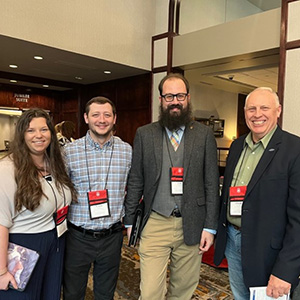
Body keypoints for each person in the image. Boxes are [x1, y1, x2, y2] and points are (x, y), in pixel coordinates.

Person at [124, 73, 220, 300]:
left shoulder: (204, 135)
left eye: (180, 95)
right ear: (161, 100)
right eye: (169, 96)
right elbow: (136, 179)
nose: (175, 101)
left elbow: (211, 182)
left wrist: (210, 227)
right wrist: (129, 220)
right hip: (155, 222)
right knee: (150, 293)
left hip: (193, 223)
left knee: (183, 291)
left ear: (187, 98)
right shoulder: (145, 134)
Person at [214, 87, 300, 299]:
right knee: (241, 296)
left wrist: (285, 270)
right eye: (251, 108)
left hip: (269, 251)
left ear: (278, 110)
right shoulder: (236, 146)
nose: (257, 114)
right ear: (245, 112)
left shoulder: (294, 149)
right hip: (233, 241)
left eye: (264, 108)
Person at [0, 108, 76, 299]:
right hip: (24, 247)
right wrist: (1, 271)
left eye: (44, 129)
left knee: (50, 295)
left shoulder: (55, 164)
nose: (38, 135)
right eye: (31, 130)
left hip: (55, 241)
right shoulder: (8, 169)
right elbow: (1, 223)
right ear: (21, 135)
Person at [63, 96, 132, 300]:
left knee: (105, 293)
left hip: (112, 236)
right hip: (77, 237)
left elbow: (135, 188)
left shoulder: (127, 151)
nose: (101, 119)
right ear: (86, 118)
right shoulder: (69, 152)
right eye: (95, 115)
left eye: (107, 115)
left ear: (114, 118)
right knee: (73, 293)